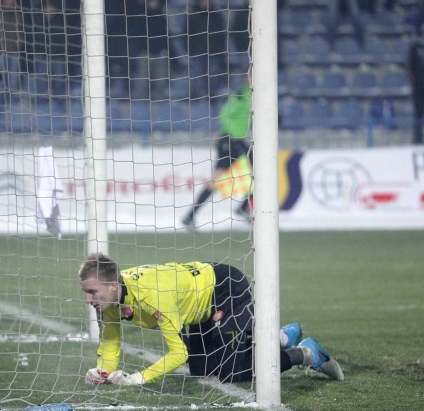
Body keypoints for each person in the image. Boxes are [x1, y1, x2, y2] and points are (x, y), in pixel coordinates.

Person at [78, 252, 344, 385]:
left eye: (92, 292)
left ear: (113, 285)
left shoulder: (155, 294)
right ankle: (282, 336)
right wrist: (104, 370)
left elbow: (177, 354)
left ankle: (304, 352)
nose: (89, 300)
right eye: (86, 293)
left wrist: (138, 378)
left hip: (225, 288)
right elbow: (111, 339)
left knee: (233, 372)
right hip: (196, 310)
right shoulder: (110, 300)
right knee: (203, 372)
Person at [182, 72, 252, 230]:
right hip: (230, 140)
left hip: (240, 141)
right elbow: (224, 115)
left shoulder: (254, 95)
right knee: (217, 180)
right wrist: (234, 136)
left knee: (260, 173)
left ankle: (243, 208)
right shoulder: (240, 94)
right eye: (250, 76)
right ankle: (189, 217)